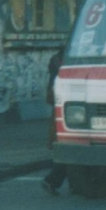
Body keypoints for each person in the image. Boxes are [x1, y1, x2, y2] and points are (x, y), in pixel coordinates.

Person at [42, 44, 68, 196]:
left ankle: (54, 181)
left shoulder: (56, 60)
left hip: (60, 110)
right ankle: (52, 180)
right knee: (68, 152)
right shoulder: (68, 63)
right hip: (64, 113)